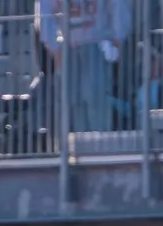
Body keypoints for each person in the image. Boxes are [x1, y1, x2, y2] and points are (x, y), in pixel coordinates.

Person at [38, 0, 131, 134]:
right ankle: (79, 146)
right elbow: (44, 14)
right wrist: (54, 48)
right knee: (73, 101)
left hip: (97, 43)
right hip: (67, 47)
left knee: (95, 96)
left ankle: (100, 145)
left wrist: (117, 39)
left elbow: (118, 5)